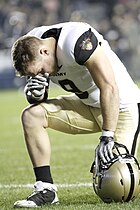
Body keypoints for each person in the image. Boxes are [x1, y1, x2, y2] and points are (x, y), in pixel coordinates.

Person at [11, 21, 140, 208]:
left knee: (119, 183)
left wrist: (107, 135)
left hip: (121, 107)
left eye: (39, 71)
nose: (39, 75)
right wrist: (35, 95)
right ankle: (45, 190)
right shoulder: (31, 42)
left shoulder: (77, 40)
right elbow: (37, 91)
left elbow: (109, 87)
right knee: (32, 115)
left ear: (44, 52)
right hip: (87, 105)